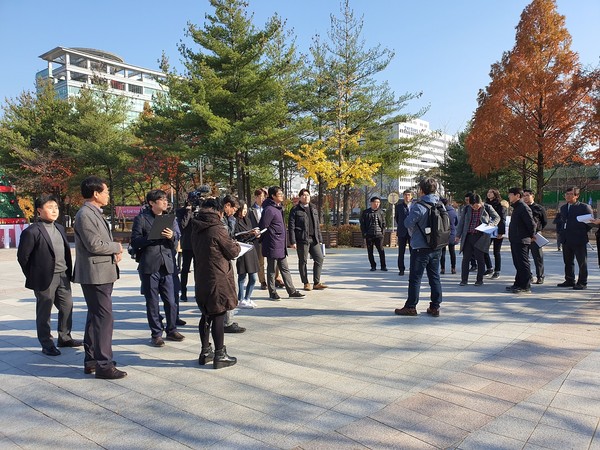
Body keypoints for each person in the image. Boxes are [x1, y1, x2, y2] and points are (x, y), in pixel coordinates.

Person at [73, 176, 127, 379]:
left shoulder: (93, 213)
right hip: (95, 274)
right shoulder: (85, 214)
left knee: (95, 316)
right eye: (105, 192)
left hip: (101, 271)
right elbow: (94, 244)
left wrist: (113, 251)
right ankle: (104, 364)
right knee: (104, 318)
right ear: (95, 194)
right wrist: (116, 247)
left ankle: (92, 360)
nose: (107, 195)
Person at [17, 194, 82, 356]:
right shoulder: (32, 231)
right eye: (49, 207)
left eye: (56, 207)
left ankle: (65, 337)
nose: (54, 211)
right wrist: (33, 276)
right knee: (44, 311)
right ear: (39, 210)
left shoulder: (60, 228)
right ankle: (46, 343)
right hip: (44, 278)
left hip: (63, 275)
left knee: (67, 306)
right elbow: (23, 257)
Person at [130, 189, 185, 347]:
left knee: (171, 300)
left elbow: (177, 238)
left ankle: (172, 328)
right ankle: (156, 334)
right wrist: (152, 236)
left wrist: (171, 236)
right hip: (149, 265)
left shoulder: (170, 219)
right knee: (152, 302)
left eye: (166, 199)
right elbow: (135, 241)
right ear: (152, 203)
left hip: (167, 264)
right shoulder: (141, 219)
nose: (165, 202)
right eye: (162, 200)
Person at [191, 197, 240, 369]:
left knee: (206, 314)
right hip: (218, 276)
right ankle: (220, 354)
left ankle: (205, 351)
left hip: (202, 275)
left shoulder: (195, 226)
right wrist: (237, 245)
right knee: (219, 313)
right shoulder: (217, 228)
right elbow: (232, 251)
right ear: (218, 212)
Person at [394, 178, 443, 317]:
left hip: (420, 247)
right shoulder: (440, 204)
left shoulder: (419, 205)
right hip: (436, 246)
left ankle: (411, 307)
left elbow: (407, 222)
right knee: (434, 277)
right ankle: (435, 307)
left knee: (415, 278)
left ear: (421, 190)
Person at [259, 186, 305, 300]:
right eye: (279, 194)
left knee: (285, 268)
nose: (282, 196)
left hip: (280, 244)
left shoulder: (278, 208)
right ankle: (272, 292)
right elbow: (263, 227)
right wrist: (270, 238)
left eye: (282, 193)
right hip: (272, 243)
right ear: (273, 196)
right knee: (271, 269)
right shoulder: (269, 209)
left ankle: (292, 291)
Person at [455, 194, 500, 286]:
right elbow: (461, 222)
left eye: (476, 205)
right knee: (466, 259)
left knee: (480, 259)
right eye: (472, 205)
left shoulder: (487, 207)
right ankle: (464, 280)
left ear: (480, 202)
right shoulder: (467, 208)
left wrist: (491, 224)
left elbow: (497, 217)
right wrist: (458, 235)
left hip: (481, 236)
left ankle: (479, 280)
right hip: (468, 236)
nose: (474, 207)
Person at [288, 188, 327, 291]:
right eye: (304, 195)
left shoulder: (313, 208)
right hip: (302, 239)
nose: (306, 197)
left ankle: (316, 282)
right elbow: (291, 226)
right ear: (300, 197)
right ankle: (305, 282)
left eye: (308, 195)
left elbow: (317, 225)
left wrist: (320, 238)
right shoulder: (295, 209)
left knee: (319, 258)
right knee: (303, 261)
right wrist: (292, 241)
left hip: (314, 239)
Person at [556, 187, 593, 290]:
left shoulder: (584, 207)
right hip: (566, 239)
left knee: (581, 262)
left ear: (576, 196)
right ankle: (569, 279)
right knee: (568, 261)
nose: (568, 196)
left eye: (571, 194)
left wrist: (579, 231)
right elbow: (561, 221)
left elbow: (589, 224)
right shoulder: (563, 208)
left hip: (579, 239)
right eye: (566, 194)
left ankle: (582, 282)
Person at [220, 195, 247, 333]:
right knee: (230, 289)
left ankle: (226, 320)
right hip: (222, 260)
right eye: (234, 209)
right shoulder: (221, 220)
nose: (234, 212)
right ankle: (226, 322)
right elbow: (228, 236)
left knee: (230, 289)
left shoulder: (224, 217)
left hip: (223, 258)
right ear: (226, 206)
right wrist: (231, 220)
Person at [250, 188, 285, 289]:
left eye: (264, 197)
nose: (262, 199)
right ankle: (263, 281)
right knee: (260, 261)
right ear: (256, 197)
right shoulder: (251, 210)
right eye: (260, 197)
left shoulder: (270, 207)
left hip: (270, 238)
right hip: (258, 239)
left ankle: (276, 278)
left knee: (275, 260)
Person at [505, 187, 536, 294]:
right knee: (517, 263)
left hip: (522, 239)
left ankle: (525, 286)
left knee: (523, 263)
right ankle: (518, 283)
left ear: (517, 196)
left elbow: (531, 224)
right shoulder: (517, 207)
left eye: (510, 195)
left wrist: (532, 235)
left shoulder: (523, 207)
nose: (509, 197)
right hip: (515, 239)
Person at [234, 201, 260, 308]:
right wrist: (249, 233)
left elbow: (250, 234)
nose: (245, 211)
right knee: (242, 276)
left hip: (250, 249)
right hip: (242, 250)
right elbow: (237, 236)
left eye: (246, 209)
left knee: (253, 277)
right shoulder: (235, 221)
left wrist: (255, 235)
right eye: (243, 209)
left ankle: (247, 298)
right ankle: (241, 299)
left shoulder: (248, 220)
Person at [523, 188, 547, 284]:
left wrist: (537, 231)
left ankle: (540, 276)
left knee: (538, 257)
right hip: (524, 235)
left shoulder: (539, 208)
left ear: (532, 196)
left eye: (527, 195)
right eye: (524, 195)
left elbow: (544, 221)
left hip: (536, 236)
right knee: (525, 257)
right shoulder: (522, 207)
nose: (525, 197)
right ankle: (528, 276)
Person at [483, 188, 507, 279]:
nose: (488, 194)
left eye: (491, 192)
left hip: (497, 230)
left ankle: (497, 271)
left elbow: (502, 219)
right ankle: (489, 268)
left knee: (496, 252)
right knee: (484, 249)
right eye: (488, 192)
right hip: (487, 229)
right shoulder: (485, 205)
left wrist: (501, 232)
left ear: (495, 194)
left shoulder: (501, 205)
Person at [360, 196, 387, 271]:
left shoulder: (381, 212)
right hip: (369, 235)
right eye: (375, 202)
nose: (377, 204)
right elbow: (362, 224)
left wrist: (382, 233)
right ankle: (373, 266)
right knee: (370, 251)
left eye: (378, 202)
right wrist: (364, 234)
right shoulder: (365, 213)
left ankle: (383, 266)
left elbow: (384, 223)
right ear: (371, 203)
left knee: (381, 250)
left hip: (379, 235)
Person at [176, 195, 194, 302]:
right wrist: (188, 211)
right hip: (187, 244)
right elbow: (182, 225)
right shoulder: (181, 211)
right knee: (185, 269)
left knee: (199, 270)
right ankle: (183, 292)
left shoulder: (199, 211)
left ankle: (199, 291)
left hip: (198, 244)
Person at [395, 190, 413, 276]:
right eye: (405, 195)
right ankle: (401, 269)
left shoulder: (414, 206)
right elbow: (397, 219)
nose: (407, 197)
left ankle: (412, 268)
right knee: (401, 252)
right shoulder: (399, 206)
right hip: (402, 232)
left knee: (413, 252)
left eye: (409, 195)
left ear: (411, 196)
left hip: (412, 232)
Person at [439, 198, 458, 275]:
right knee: (452, 252)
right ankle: (453, 268)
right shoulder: (453, 211)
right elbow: (456, 222)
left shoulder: (440, 211)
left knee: (442, 252)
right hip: (452, 232)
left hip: (443, 233)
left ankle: (442, 269)